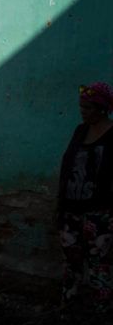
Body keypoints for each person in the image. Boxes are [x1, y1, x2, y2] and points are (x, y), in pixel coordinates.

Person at [57, 82, 113, 305]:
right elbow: (67, 165)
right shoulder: (80, 131)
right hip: (71, 210)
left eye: (88, 108)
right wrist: (59, 206)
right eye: (81, 107)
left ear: (102, 108)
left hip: (100, 213)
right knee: (72, 262)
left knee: (100, 264)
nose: (83, 112)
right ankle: (69, 308)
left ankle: (100, 316)